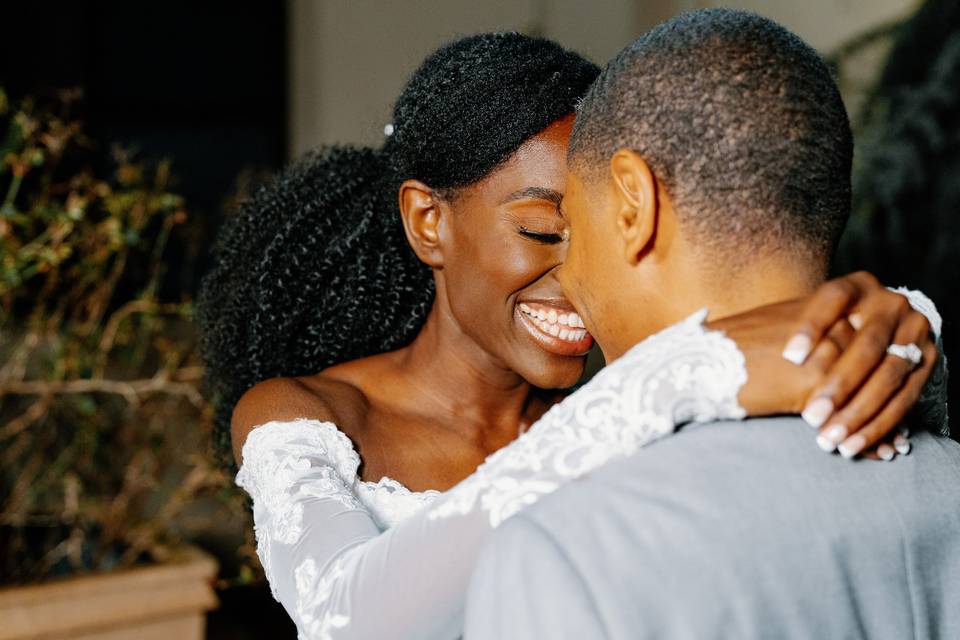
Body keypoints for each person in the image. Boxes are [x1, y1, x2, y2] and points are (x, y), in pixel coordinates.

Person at [197, 34, 944, 640]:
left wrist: (895, 332)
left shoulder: (625, 403)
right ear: (429, 222)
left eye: (594, 234)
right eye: (541, 230)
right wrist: (678, 374)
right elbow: (343, 619)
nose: (579, 272)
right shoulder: (306, 414)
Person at [464, 10, 958, 639]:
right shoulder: (948, 479)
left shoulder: (572, 549)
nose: (568, 274)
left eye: (568, 230)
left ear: (633, 206)